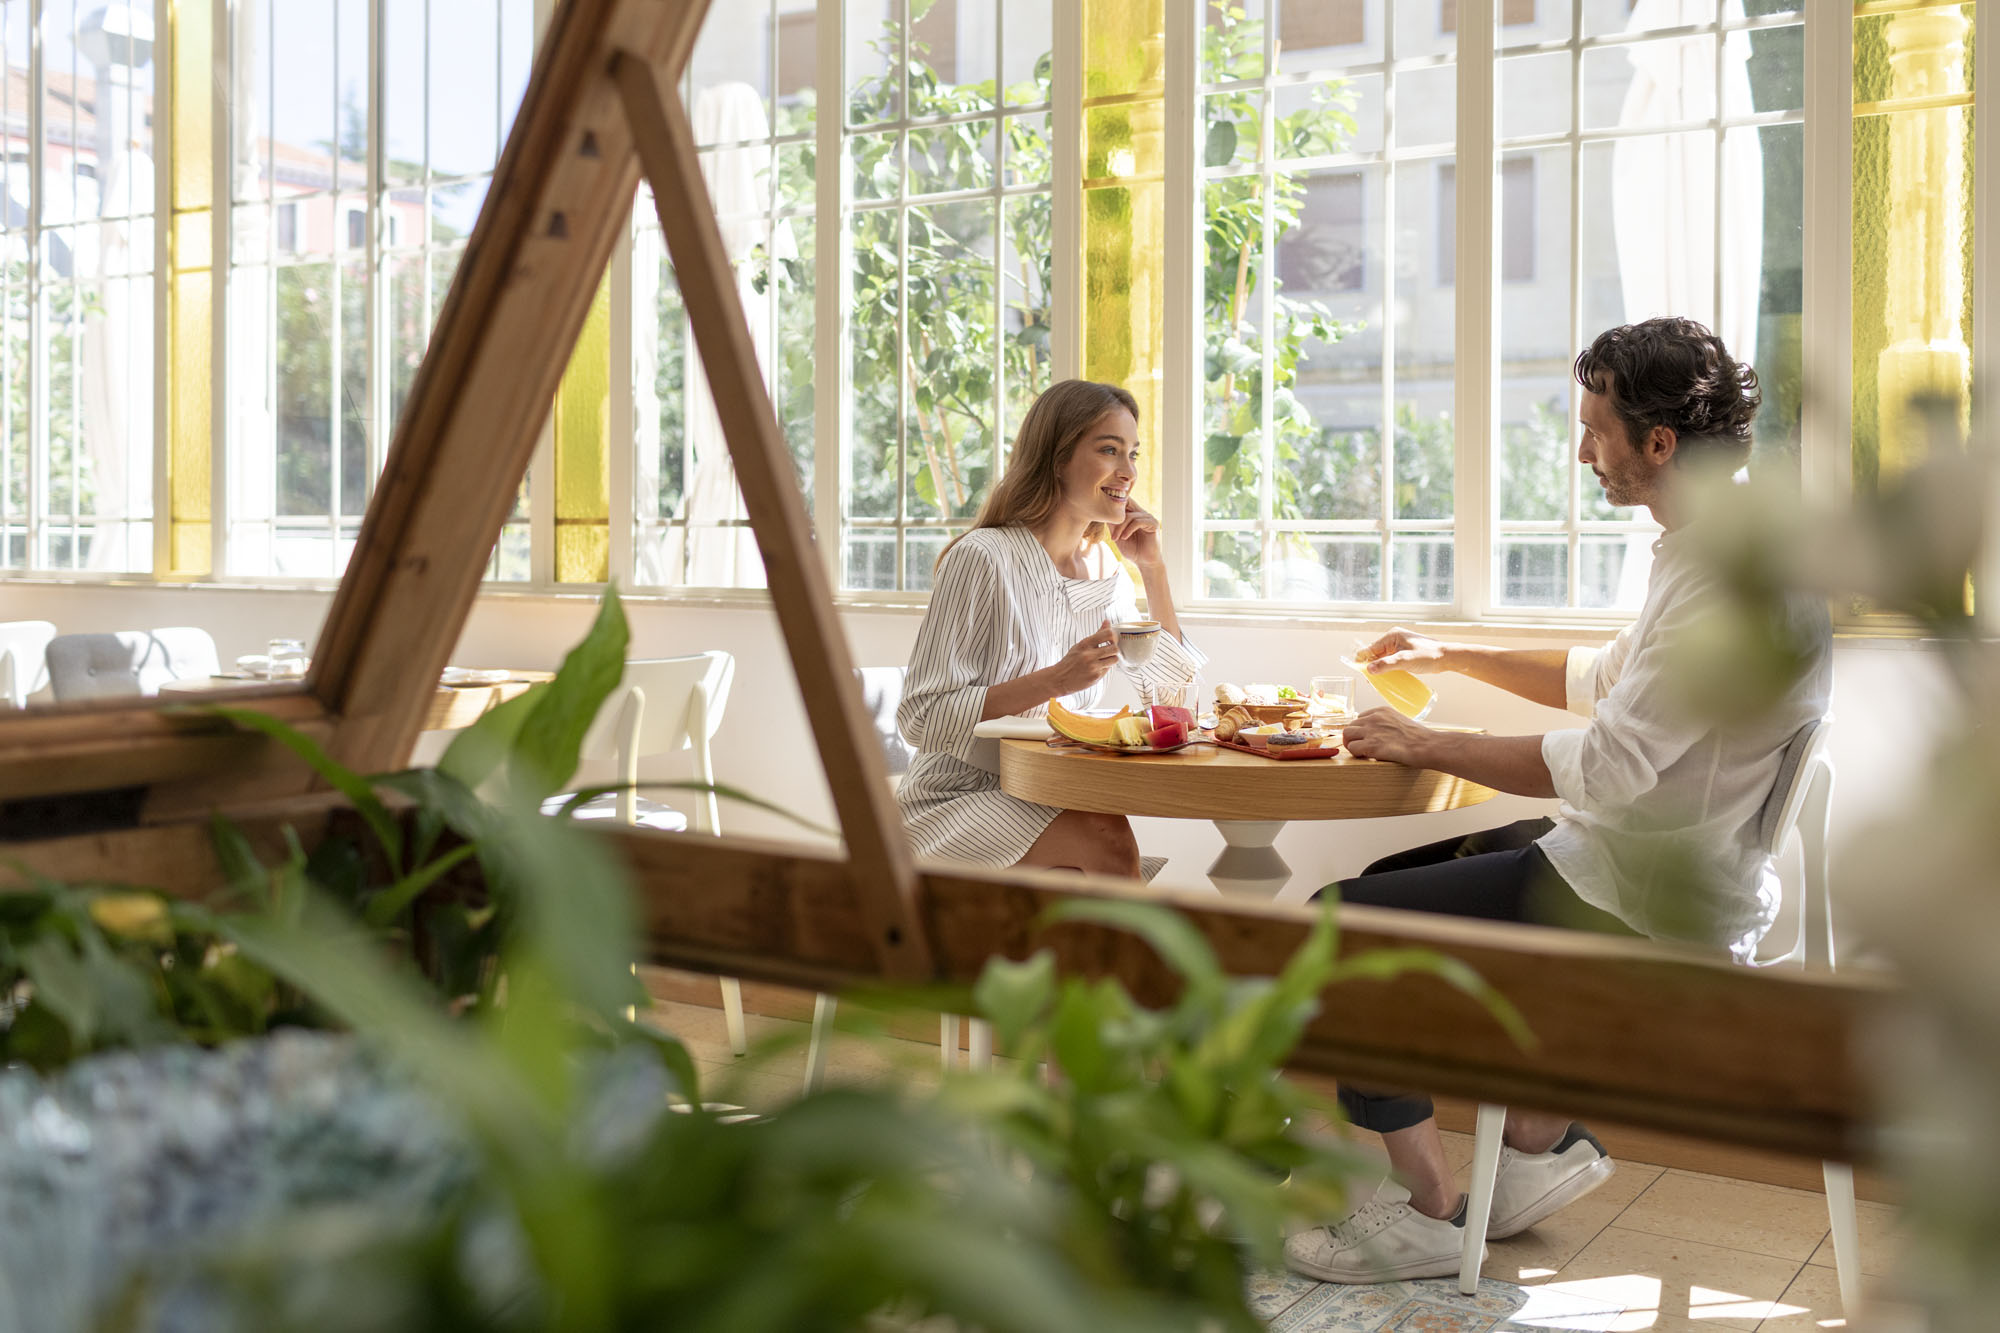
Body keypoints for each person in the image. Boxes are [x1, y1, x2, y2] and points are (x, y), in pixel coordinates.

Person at [1285, 317, 1833, 1284]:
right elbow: (1602, 679)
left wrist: (1422, 740)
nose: (1584, 451)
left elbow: (1611, 764)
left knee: (1339, 928)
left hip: (1642, 895)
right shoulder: (1719, 550)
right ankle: (1536, 1144)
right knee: (1384, 880)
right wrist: (1453, 652)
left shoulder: (1725, 581)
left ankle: (1429, 1215)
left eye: (1594, 429)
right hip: (1645, 860)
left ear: (1657, 442)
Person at [896, 379, 1204, 877]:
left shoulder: (1106, 567)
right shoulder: (983, 557)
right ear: (1058, 459)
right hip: (956, 800)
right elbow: (920, 717)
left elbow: (1175, 701)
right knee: (1108, 840)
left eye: (1133, 454)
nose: (1128, 472)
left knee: (1105, 837)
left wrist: (1153, 570)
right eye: (1109, 450)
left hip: (1054, 789)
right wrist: (1056, 681)